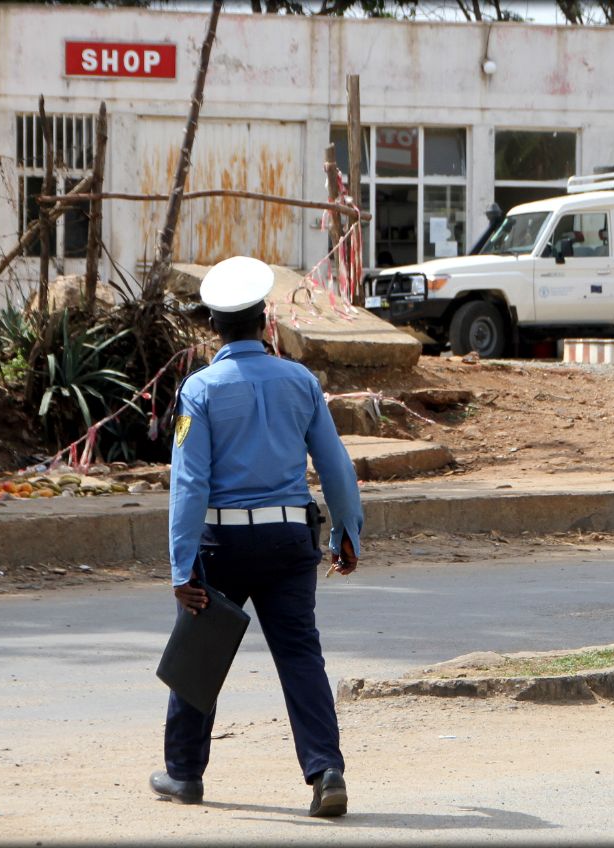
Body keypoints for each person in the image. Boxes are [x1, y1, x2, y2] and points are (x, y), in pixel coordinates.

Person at [149, 256, 364, 817]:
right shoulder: (301, 381)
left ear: (213, 327)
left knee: (200, 653)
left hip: (222, 547)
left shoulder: (200, 390)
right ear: (266, 320)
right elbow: (335, 464)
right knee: (300, 657)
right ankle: (326, 770)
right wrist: (348, 532)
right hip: (291, 541)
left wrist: (181, 568)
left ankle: (184, 775)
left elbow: (190, 483)